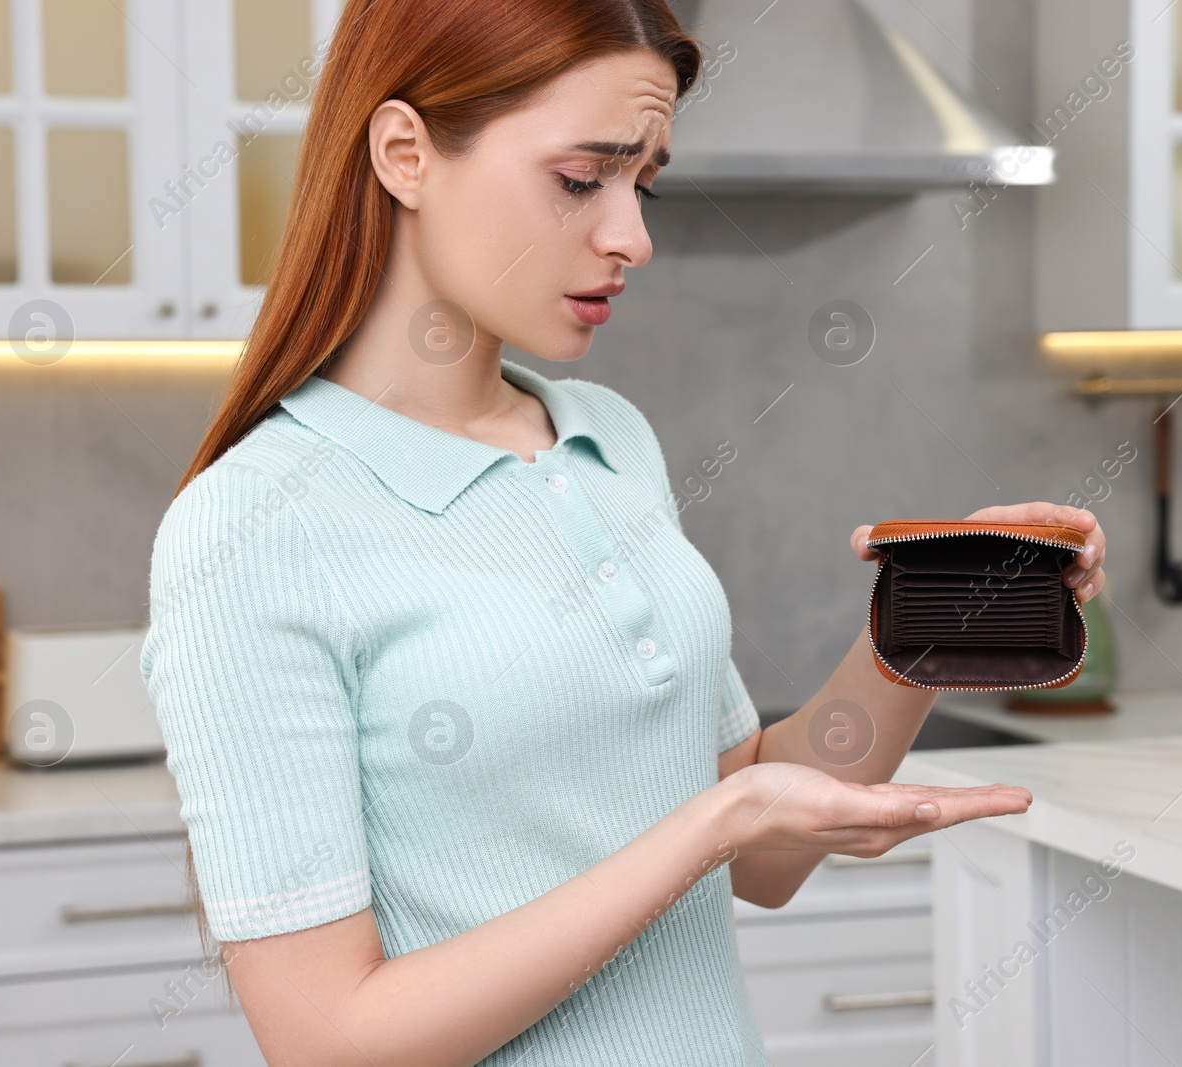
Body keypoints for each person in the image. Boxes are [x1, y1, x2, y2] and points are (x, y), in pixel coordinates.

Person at [139, 1, 1107, 1063]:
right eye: (578, 179)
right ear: (404, 153)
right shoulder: (253, 524)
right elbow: (329, 1039)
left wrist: (929, 618)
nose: (631, 236)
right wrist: (712, 824)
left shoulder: (606, 439)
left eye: (642, 183)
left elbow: (762, 850)